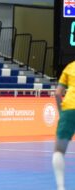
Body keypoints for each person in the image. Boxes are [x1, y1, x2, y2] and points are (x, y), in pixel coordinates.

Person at [52, 61, 75, 190]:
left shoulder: (70, 67)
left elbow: (57, 93)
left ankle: (61, 187)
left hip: (70, 108)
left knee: (59, 150)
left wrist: (61, 112)